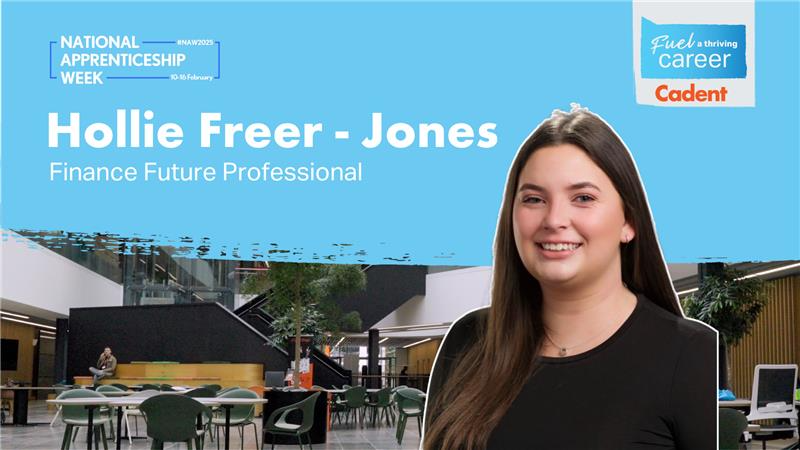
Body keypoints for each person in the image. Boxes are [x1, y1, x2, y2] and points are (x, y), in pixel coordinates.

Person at [423, 106, 717, 449]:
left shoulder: (690, 353)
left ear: (629, 222)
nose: (554, 219)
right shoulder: (469, 341)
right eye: (534, 199)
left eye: (583, 198)